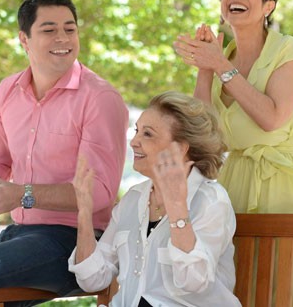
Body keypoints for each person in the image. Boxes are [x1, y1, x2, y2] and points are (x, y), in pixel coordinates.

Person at [0, 0, 129, 306]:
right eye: (49, 30)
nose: (63, 37)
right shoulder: (7, 91)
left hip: (77, 242)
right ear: (24, 39)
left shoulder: (100, 99)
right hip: (21, 233)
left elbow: (99, 190)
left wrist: (22, 194)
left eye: (69, 28)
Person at [173, 0, 293, 214]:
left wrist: (220, 66)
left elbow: (271, 119)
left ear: (268, 6)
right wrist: (206, 69)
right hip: (228, 192)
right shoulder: (223, 56)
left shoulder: (289, 50)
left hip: (281, 189)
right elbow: (203, 135)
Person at [68, 91, 241, 307]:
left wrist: (177, 208)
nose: (134, 142)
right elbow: (92, 279)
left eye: (147, 134)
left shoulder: (211, 201)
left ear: (180, 148)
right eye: (137, 131)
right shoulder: (133, 199)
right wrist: (84, 214)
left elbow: (194, 282)